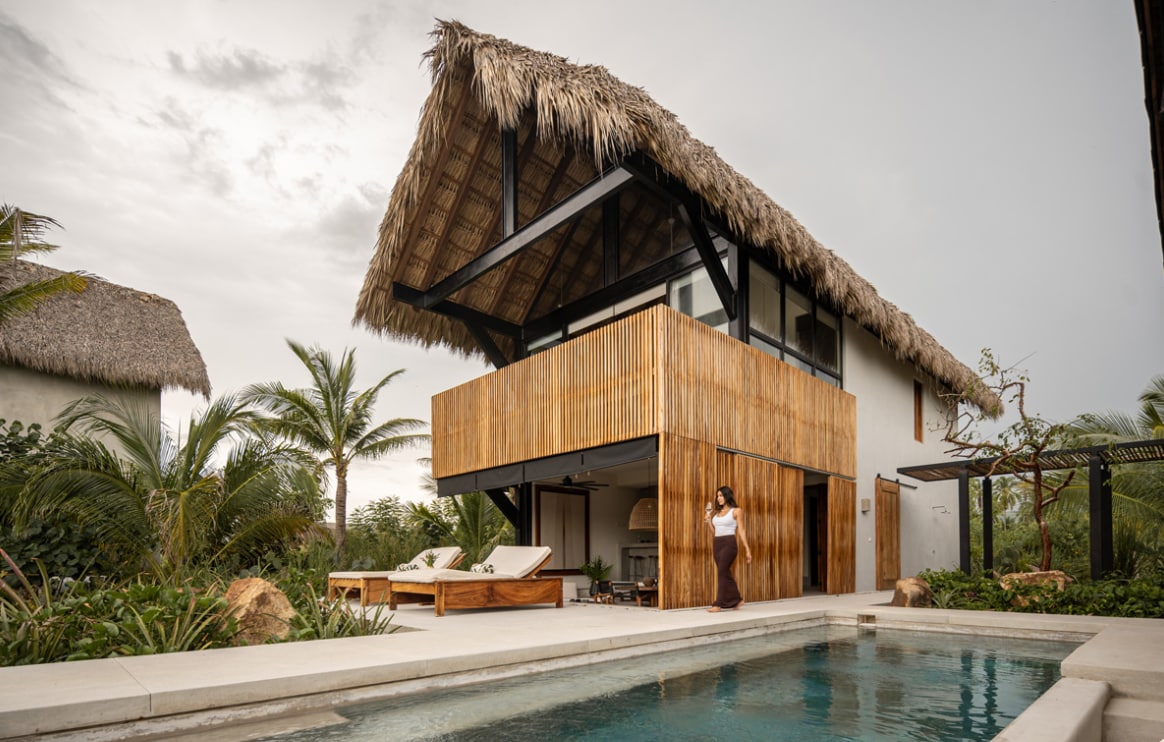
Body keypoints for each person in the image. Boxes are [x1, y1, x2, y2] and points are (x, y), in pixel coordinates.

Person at [704, 485, 752, 612]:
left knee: (721, 572)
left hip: (729, 544)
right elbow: (714, 533)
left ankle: (718, 604)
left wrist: (747, 550)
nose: (718, 498)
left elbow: (741, 531)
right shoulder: (717, 514)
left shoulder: (736, 511)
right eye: (717, 496)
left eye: (721, 495)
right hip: (717, 544)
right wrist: (708, 522)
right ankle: (737, 600)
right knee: (724, 572)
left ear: (727, 496)